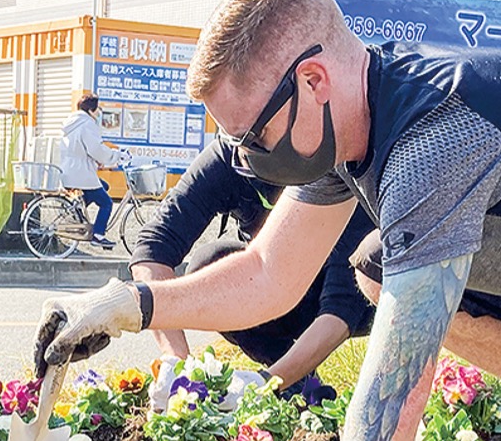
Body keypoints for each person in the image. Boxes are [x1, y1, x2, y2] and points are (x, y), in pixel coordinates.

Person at [33, 0, 501, 441]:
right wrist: (127, 306)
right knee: (380, 266)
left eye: (250, 139)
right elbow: (270, 272)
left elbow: (394, 392)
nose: (244, 163)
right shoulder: (355, 126)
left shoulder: (435, 146)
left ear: (313, 81)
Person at [129, 134, 375, 396]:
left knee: (363, 269)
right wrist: (177, 363)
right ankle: (300, 383)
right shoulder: (232, 152)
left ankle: (293, 379)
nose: (244, 149)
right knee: (208, 264)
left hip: (357, 295)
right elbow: (154, 245)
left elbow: (342, 309)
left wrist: (265, 383)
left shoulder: (330, 157)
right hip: (273, 292)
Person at [59, 92, 119, 249]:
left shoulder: (71, 123)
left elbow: (81, 149)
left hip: (69, 171)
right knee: (106, 203)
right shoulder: (87, 124)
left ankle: (76, 210)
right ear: (91, 110)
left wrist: (97, 160)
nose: (99, 112)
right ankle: (98, 235)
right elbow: (96, 148)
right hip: (81, 173)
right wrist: (114, 156)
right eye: (97, 109)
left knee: (103, 187)